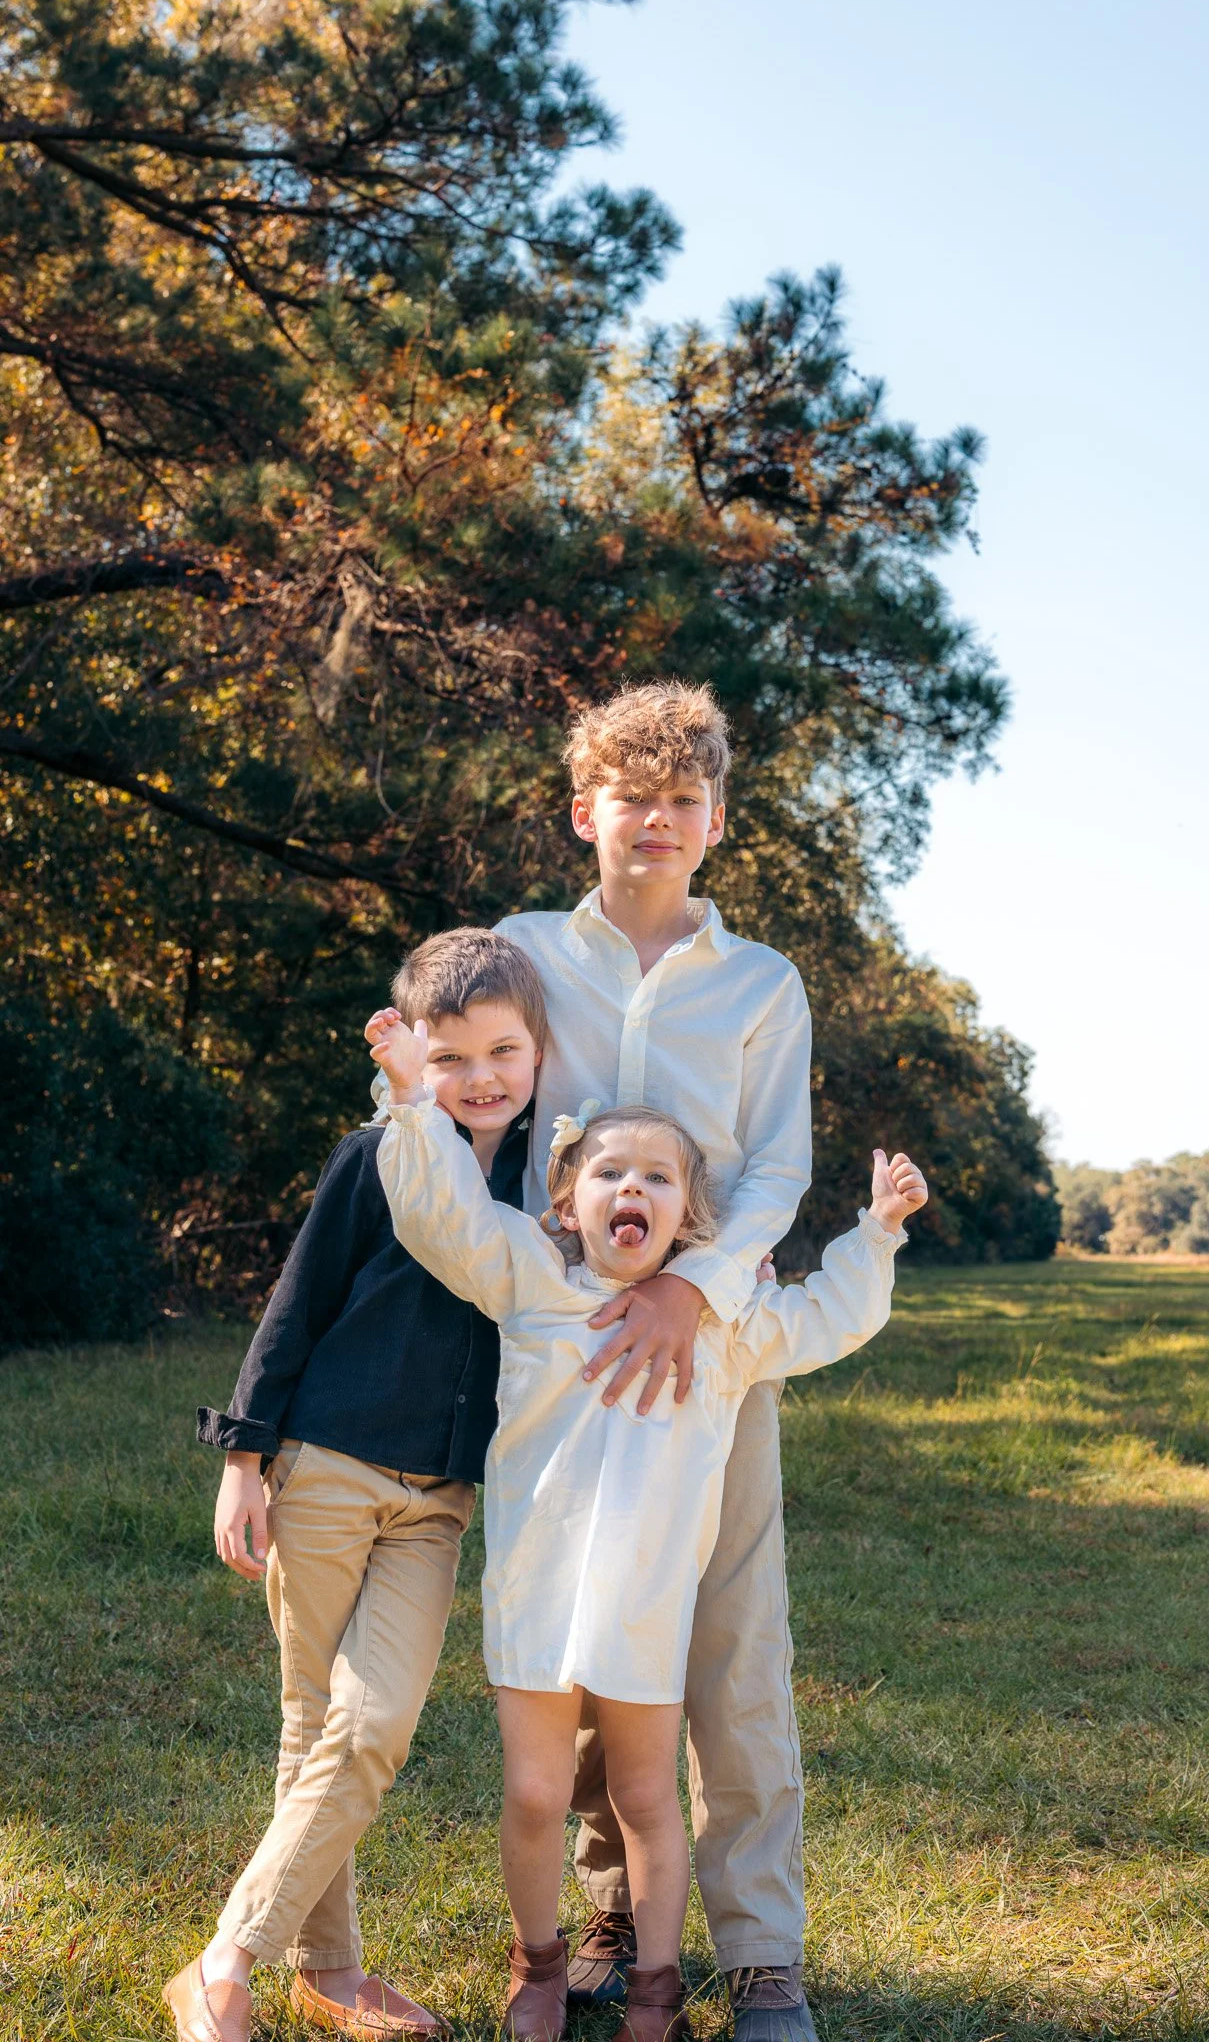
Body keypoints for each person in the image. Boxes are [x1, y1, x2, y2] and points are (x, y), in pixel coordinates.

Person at [366, 1006, 929, 2042]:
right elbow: (441, 1212)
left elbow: (826, 1317)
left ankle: (658, 1983)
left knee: (645, 1796)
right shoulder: (529, 1283)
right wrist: (410, 1096)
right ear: (567, 1201)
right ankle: (537, 1960)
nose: (633, 1187)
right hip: (534, 1598)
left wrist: (876, 1230)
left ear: (688, 1217)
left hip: (647, 1607)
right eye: (609, 1171)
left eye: (659, 1177)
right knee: (537, 1791)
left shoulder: (720, 1329)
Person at [492, 680, 824, 2038]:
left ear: (716, 822)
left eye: (685, 801)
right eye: (634, 798)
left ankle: (759, 1954)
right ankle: (613, 1919)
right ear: (588, 812)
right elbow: (466, 1099)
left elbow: (781, 1168)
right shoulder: (519, 950)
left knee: (733, 1649)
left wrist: (691, 1286)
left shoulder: (760, 984)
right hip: (562, 1356)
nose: (659, 822)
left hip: (714, 1346)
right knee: (574, 1631)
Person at [163, 931, 545, 2042]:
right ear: (413, 1060)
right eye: (453, 1056)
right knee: (310, 1721)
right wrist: (245, 1457)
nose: (480, 1076)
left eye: (503, 1051)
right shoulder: (371, 1154)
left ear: (538, 1050)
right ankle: (326, 1969)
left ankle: (227, 1955)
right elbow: (295, 1303)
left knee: (372, 1718)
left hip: (437, 1498)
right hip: (324, 1463)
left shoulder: (543, 1181)